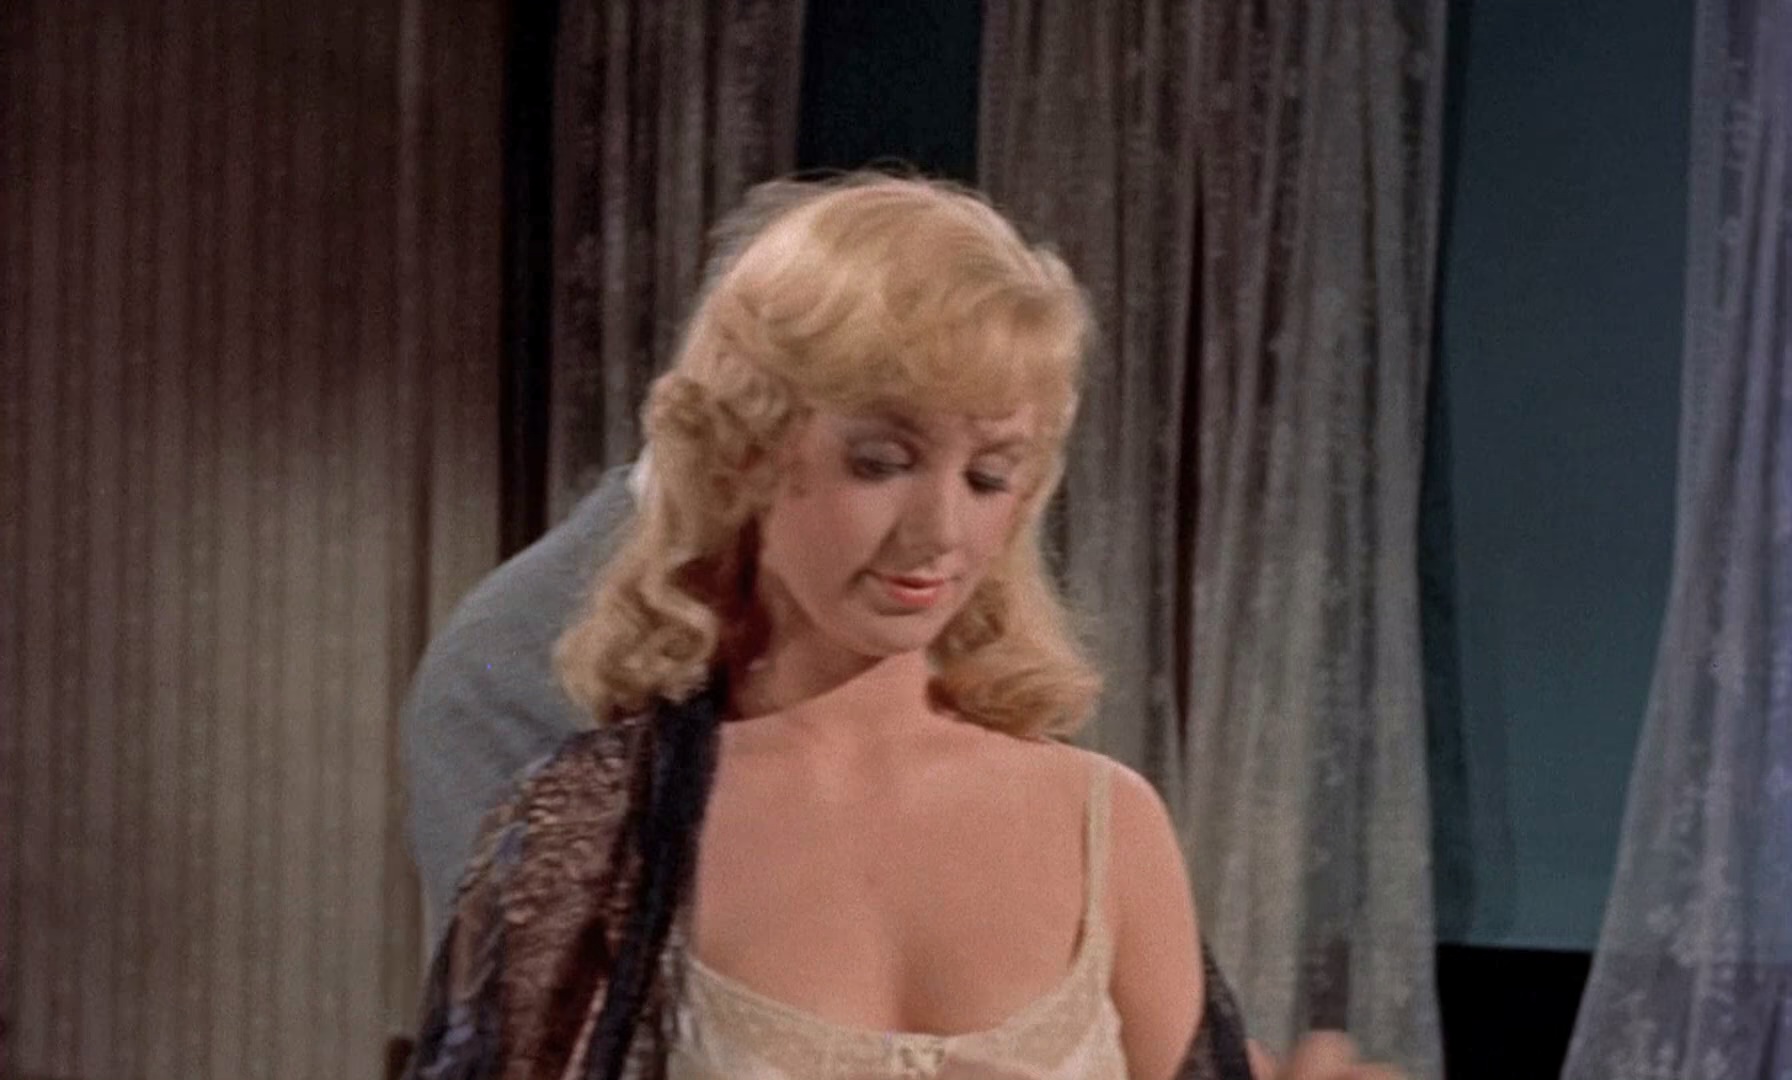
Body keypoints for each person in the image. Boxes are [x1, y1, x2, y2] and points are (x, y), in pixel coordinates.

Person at [400, 173, 1400, 1080]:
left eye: (989, 476)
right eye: (880, 462)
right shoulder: (598, 823)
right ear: (746, 453)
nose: (938, 533)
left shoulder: (1105, 822)